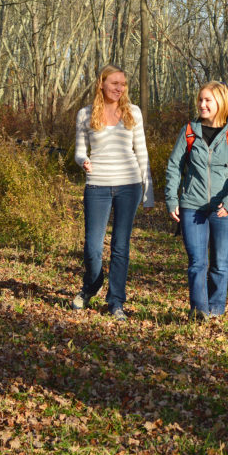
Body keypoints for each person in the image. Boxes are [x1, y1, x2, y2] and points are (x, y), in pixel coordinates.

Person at [73, 64, 154, 320]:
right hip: (97, 184)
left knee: (121, 246)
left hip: (128, 185)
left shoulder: (134, 113)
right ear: (101, 84)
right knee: (93, 247)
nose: (119, 89)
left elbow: (141, 151)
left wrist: (148, 191)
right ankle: (92, 285)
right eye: (114, 84)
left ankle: (116, 301)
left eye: (123, 84)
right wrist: (82, 160)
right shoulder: (85, 114)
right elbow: (78, 150)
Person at [164, 81, 228, 320]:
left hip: (224, 209)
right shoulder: (189, 131)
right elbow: (174, 166)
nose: (202, 105)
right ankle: (199, 311)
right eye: (200, 100)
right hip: (192, 206)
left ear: (220, 103)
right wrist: (172, 200)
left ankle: (216, 311)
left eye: (207, 100)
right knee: (197, 262)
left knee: (220, 263)